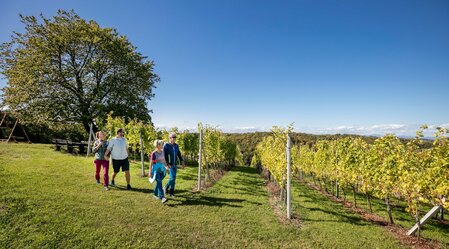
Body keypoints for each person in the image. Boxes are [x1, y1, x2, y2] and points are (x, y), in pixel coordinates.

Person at [163, 132, 186, 198]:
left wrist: (182, 161)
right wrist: (167, 164)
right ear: (169, 138)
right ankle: (165, 187)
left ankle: (171, 193)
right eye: (173, 137)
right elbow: (164, 156)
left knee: (173, 178)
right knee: (172, 178)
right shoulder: (166, 145)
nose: (174, 138)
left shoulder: (176, 145)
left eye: (175, 137)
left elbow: (179, 154)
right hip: (169, 165)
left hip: (175, 164)